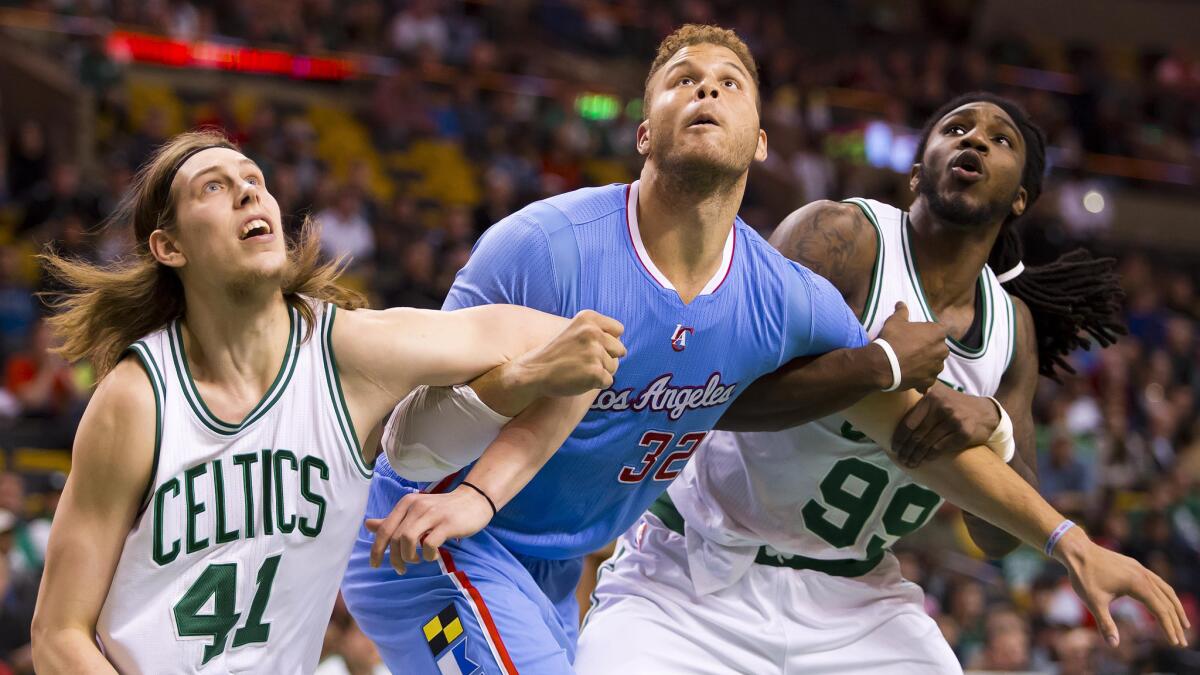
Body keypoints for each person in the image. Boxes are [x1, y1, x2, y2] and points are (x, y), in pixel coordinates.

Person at [340, 23, 956, 675]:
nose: (707, 88)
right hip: (431, 540)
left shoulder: (783, 297)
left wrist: (1006, 447)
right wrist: (511, 412)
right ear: (643, 133)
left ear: (761, 141)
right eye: (684, 79)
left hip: (552, 572)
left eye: (730, 82)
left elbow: (903, 407)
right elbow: (410, 427)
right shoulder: (545, 247)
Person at [574, 93, 1186, 673]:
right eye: (955, 129)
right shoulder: (843, 237)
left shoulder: (1011, 327)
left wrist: (995, 429)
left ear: (1021, 198)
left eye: (1000, 140)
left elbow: (996, 537)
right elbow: (713, 394)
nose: (974, 139)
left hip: (857, 602)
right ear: (918, 173)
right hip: (695, 572)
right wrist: (878, 366)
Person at [28, 130, 626, 674]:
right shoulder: (136, 399)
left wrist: (478, 494)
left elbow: (580, 345)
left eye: (255, 181)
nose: (248, 194)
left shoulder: (347, 353)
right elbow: (59, 633)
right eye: (214, 186)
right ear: (169, 246)